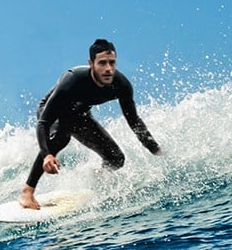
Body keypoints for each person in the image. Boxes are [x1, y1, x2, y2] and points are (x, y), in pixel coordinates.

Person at [19, 38, 162, 210]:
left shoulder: (121, 85)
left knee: (116, 158)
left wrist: (154, 149)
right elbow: (43, 122)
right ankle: (27, 192)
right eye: (102, 63)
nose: (108, 69)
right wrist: (46, 155)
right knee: (62, 137)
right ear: (91, 63)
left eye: (112, 63)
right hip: (52, 111)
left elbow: (134, 120)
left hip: (80, 114)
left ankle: (96, 178)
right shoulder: (73, 79)